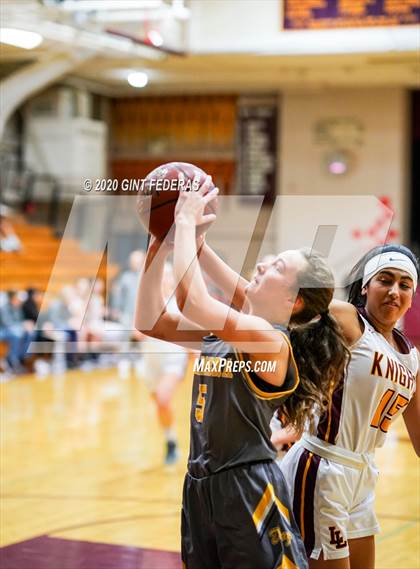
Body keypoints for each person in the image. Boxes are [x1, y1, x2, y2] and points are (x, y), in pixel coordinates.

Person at [135, 177, 349, 569]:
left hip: (247, 487)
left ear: (293, 300)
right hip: (200, 485)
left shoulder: (270, 341)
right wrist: (161, 240)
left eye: (277, 266)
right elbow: (150, 320)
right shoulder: (228, 332)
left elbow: (194, 301)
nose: (262, 263)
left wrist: (185, 223)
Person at [281, 244, 420, 569]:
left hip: (363, 474)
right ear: (366, 285)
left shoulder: (412, 358)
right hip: (322, 465)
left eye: (404, 284)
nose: (394, 291)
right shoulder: (349, 319)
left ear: (413, 296)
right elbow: (280, 302)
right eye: (385, 279)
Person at [139, 262, 189, 465]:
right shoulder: (146, 303)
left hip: (174, 359)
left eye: (167, 275)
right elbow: (137, 333)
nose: (164, 279)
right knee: (161, 406)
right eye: (161, 275)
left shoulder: (181, 304)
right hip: (150, 360)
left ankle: (175, 443)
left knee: (162, 399)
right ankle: (171, 440)